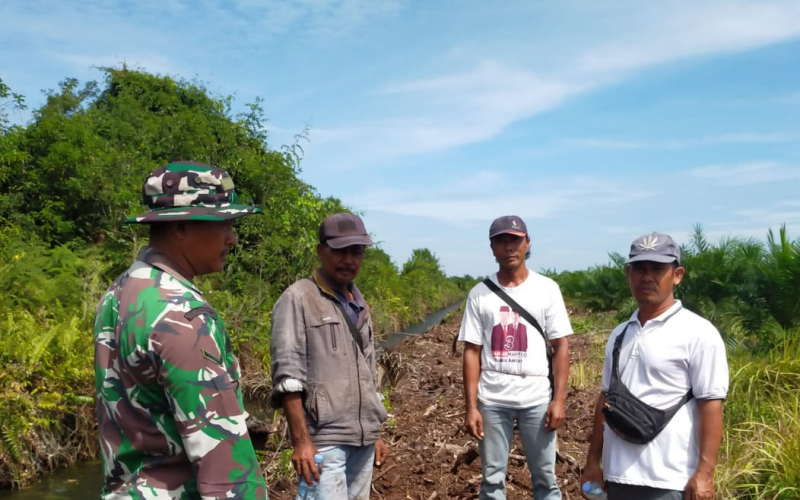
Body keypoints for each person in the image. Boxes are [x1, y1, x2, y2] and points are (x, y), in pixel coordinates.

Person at [94, 161, 268, 499]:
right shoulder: (182, 316)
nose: (233, 239)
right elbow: (224, 468)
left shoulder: (118, 294)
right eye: (224, 224)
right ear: (181, 227)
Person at [581, 232, 729, 500]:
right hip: (617, 477)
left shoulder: (698, 333)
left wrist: (705, 473)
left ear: (677, 274)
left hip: (669, 480)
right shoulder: (619, 334)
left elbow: (711, 404)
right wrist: (593, 462)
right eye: (639, 268)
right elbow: (605, 399)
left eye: (658, 268)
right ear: (628, 274)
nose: (646, 276)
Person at [270, 212, 389, 500]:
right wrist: (302, 442)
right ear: (321, 251)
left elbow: (369, 375)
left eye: (356, 252)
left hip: (363, 441)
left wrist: (375, 433)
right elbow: (288, 377)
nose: (348, 259)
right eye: (340, 251)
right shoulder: (298, 299)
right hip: (324, 443)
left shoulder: (360, 304)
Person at [459, 215, 572, 500]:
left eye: (514, 240)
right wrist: (471, 406)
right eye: (501, 241)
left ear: (527, 243)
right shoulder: (480, 294)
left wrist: (558, 401)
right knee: (492, 478)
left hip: (536, 397)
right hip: (493, 400)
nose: (508, 247)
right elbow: (471, 351)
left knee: (546, 478)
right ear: (492, 247)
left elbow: (561, 346)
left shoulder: (547, 289)